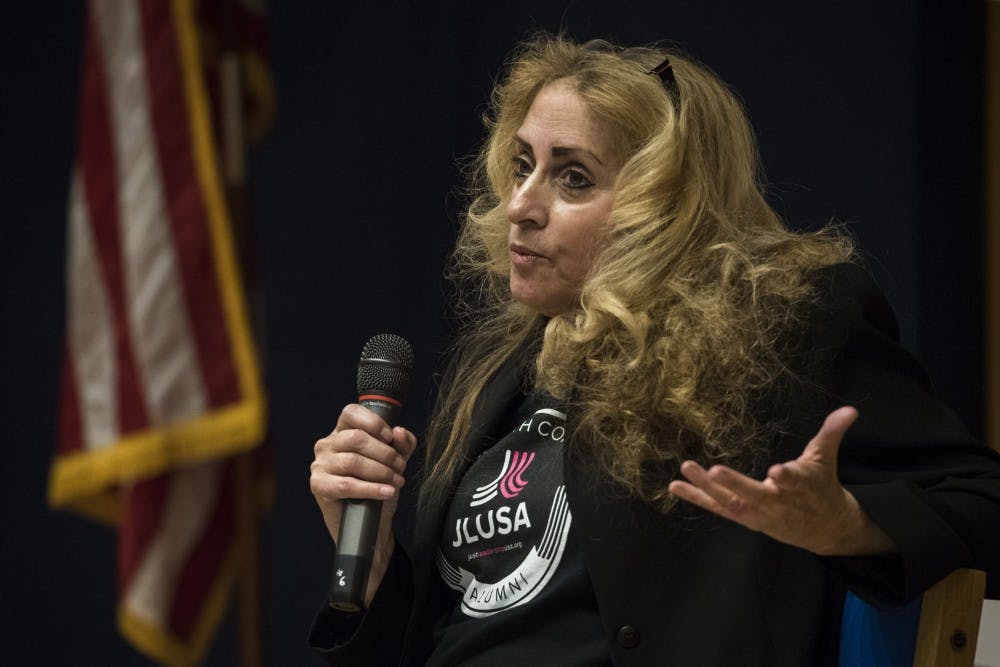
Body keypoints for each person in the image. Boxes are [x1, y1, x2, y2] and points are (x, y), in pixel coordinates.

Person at [308, 35, 1000, 665]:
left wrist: (846, 525)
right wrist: (367, 555)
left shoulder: (780, 334)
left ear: (667, 206)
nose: (521, 203)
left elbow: (980, 502)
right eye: (522, 165)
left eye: (572, 176)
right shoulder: (506, 366)